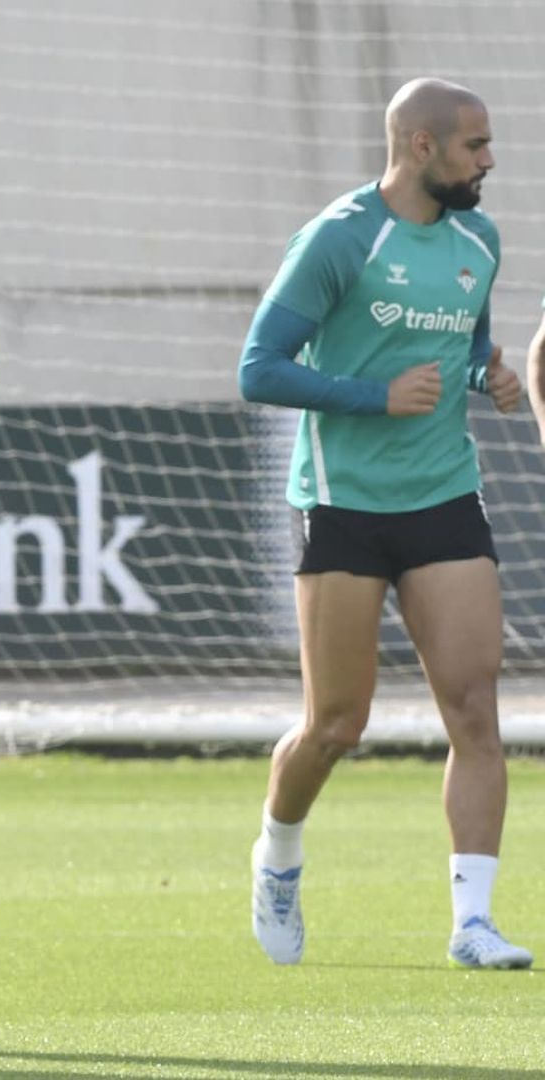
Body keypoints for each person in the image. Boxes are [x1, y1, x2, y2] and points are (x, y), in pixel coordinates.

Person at [239, 77, 530, 970]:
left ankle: (472, 923)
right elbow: (260, 368)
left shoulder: (480, 239)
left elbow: (462, 344)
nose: (489, 162)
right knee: (336, 723)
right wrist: (376, 397)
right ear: (420, 148)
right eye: (474, 146)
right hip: (343, 503)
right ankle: (278, 855)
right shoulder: (339, 238)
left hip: (445, 495)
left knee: (475, 709)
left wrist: (493, 376)